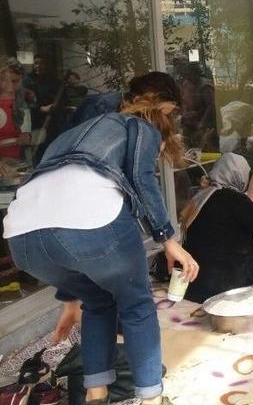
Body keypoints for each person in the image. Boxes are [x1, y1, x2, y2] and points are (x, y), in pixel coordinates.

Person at [3, 71, 198, 405]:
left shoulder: (73, 133)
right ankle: (151, 398)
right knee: (136, 305)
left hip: (22, 236)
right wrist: (168, 239)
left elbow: (59, 212)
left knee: (97, 301)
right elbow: (140, 177)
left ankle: (96, 396)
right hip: (91, 224)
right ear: (160, 111)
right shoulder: (141, 126)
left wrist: (69, 299)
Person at [180, 153, 253, 303]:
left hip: (196, 285)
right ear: (239, 174)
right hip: (229, 281)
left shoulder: (199, 198)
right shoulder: (235, 199)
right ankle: (245, 297)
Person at [21, 53, 60, 130]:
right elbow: (23, 103)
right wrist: (41, 108)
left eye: (42, 63)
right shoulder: (27, 81)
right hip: (34, 122)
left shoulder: (54, 81)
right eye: (36, 63)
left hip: (52, 122)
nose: (38, 66)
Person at [0, 59, 29, 159]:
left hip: (15, 157)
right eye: (6, 80)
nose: (11, 87)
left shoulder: (19, 97)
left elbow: (22, 125)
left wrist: (26, 135)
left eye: (16, 82)